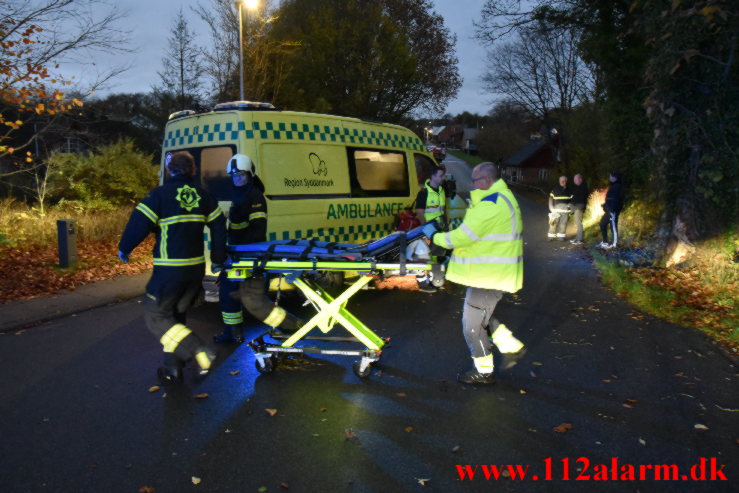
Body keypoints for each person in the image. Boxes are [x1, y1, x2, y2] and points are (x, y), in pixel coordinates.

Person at [118, 151, 226, 384]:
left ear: (169, 170)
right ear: (193, 170)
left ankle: (199, 351)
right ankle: (172, 368)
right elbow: (219, 225)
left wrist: (124, 248)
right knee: (176, 317)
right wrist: (218, 257)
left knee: (156, 316)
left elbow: (138, 224)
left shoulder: (159, 195)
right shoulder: (203, 196)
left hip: (169, 270)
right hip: (195, 269)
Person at [424, 162, 526, 385]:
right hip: (491, 274)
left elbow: (462, 237)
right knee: (482, 318)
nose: (471, 184)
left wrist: (434, 236)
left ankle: (484, 372)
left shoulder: (491, 204)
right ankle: (512, 347)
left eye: (474, 180)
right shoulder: (501, 198)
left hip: (489, 276)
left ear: (487, 181)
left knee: (471, 325)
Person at [214, 154, 301, 343]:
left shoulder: (254, 196)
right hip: (236, 256)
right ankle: (233, 333)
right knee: (228, 294)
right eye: (234, 176)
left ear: (250, 174)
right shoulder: (238, 194)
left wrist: (240, 251)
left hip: (249, 256)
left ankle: (293, 325)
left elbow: (258, 230)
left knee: (254, 301)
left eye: (241, 175)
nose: (237, 179)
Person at [413, 166, 447, 293]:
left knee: (437, 255)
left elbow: (442, 210)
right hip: (427, 229)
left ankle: (435, 280)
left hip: (439, 228)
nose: (442, 178)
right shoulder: (424, 193)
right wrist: (425, 229)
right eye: (440, 176)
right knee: (423, 255)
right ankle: (422, 282)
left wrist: (446, 225)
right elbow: (420, 213)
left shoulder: (441, 191)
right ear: (432, 177)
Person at [597, 171, 624, 249]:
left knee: (613, 227)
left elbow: (616, 200)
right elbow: (610, 199)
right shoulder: (613, 186)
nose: (609, 178)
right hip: (609, 210)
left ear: (615, 178)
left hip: (613, 211)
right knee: (602, 223)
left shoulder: (617, 186)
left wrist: (612, 209)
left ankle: (614, 245)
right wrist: (605, 205)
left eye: (611, 176)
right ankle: (605, 242)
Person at [548, 175, 572, 241]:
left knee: (563, 224)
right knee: (553, 223)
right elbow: (550, 198)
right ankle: (551, 237)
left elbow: (572, 200)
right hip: (555, 211)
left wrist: (570, 205)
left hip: (565, 211)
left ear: (566, 181)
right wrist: (551, 207)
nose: (562, 181)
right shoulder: (555, 189)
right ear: (559, 181)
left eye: (564, 180)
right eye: (561, 180)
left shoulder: (570, 190)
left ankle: (560, 237)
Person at [569, 174, 589, 245]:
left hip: (579, 207)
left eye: (576, 179)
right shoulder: (576, 187)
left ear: (580, 179)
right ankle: (577, 238)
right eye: (574, 179)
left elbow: (581, 199)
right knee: (577, 223)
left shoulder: (583, 187)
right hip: (576, 207)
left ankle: (579, 239)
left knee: (579, 223)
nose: (574, 181)